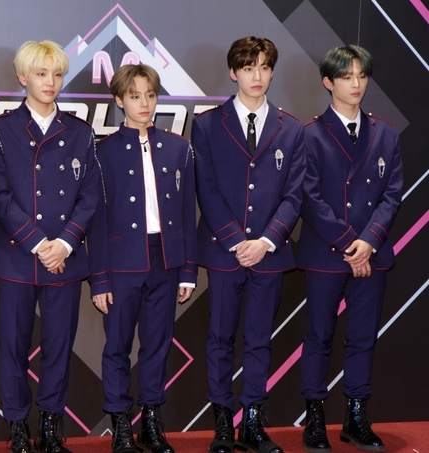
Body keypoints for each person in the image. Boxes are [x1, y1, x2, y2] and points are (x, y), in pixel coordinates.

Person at [192, 36, 306, 453]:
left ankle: (254, 422)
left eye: (264, 67)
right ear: (233, 72)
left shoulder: (291, 128)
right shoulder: (207, 124)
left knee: (259, 339)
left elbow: (294, 194)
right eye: (248, 67)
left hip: (270, 254)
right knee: (220, 337)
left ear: (272, 72)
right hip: (224, 252)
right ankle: (223, 422)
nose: (256, 75)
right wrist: (238, 241)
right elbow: (205, 188)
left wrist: (267, 240)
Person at [0, 40, 99, 453]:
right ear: (23, 78)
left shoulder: (81, 132)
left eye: (57, 74)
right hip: (17, 257)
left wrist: (65, 243)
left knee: (58, 347)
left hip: (65, 260)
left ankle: (51, 426)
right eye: (40, 73)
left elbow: (90, 195)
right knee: (13, 348)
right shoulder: (0, 130)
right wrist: (37, 243)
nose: (50, 82)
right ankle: (17, 425)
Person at [87, 63, 197, 453]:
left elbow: (187, 213)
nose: (144, 103)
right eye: (135, 96)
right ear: (120, 100)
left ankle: (151, 421)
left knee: (157, 345)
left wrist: (188, 270)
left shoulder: (179, 148)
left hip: (166, 261)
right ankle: (120, 423)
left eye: (150, 95)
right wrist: (99, 278)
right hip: (120, 263)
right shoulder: (101, 152)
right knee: (117, 346)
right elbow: (95, 220)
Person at [297, 45, 402, 453]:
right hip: (327, 252)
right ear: (328, 82)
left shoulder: (385, 133)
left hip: (372, 254)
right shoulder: (309, 134)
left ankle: (356, 417)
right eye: (346, 76)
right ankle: (315, 417)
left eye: (361, 75)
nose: (356, 83)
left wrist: (369, 241)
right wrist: (347, 244)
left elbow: (392, 194)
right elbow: (308, 197)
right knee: (319, 336)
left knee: (363, 337)